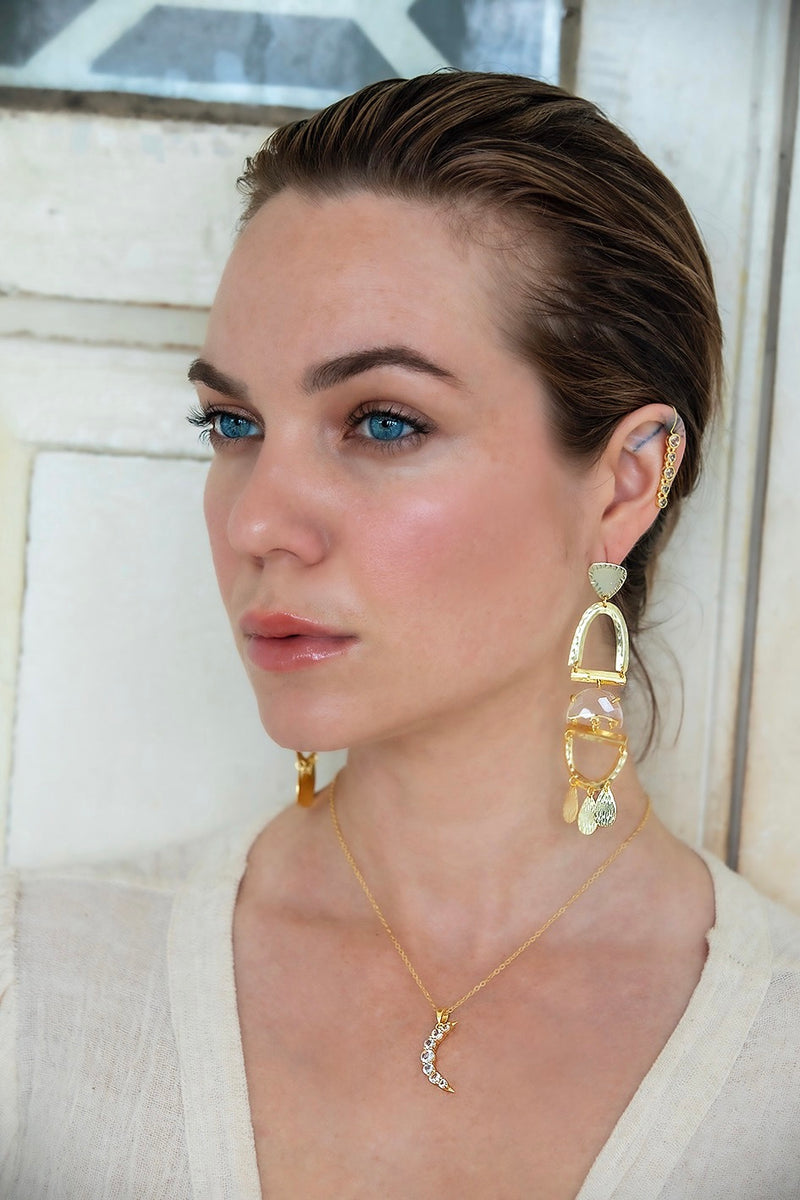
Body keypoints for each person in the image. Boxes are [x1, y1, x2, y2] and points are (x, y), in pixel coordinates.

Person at [2, 70, 799, 1200]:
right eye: (232, 423)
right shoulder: (35, 995)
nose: (257, 522)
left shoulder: (776, 1073)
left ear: (626, 483)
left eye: (382, 422)